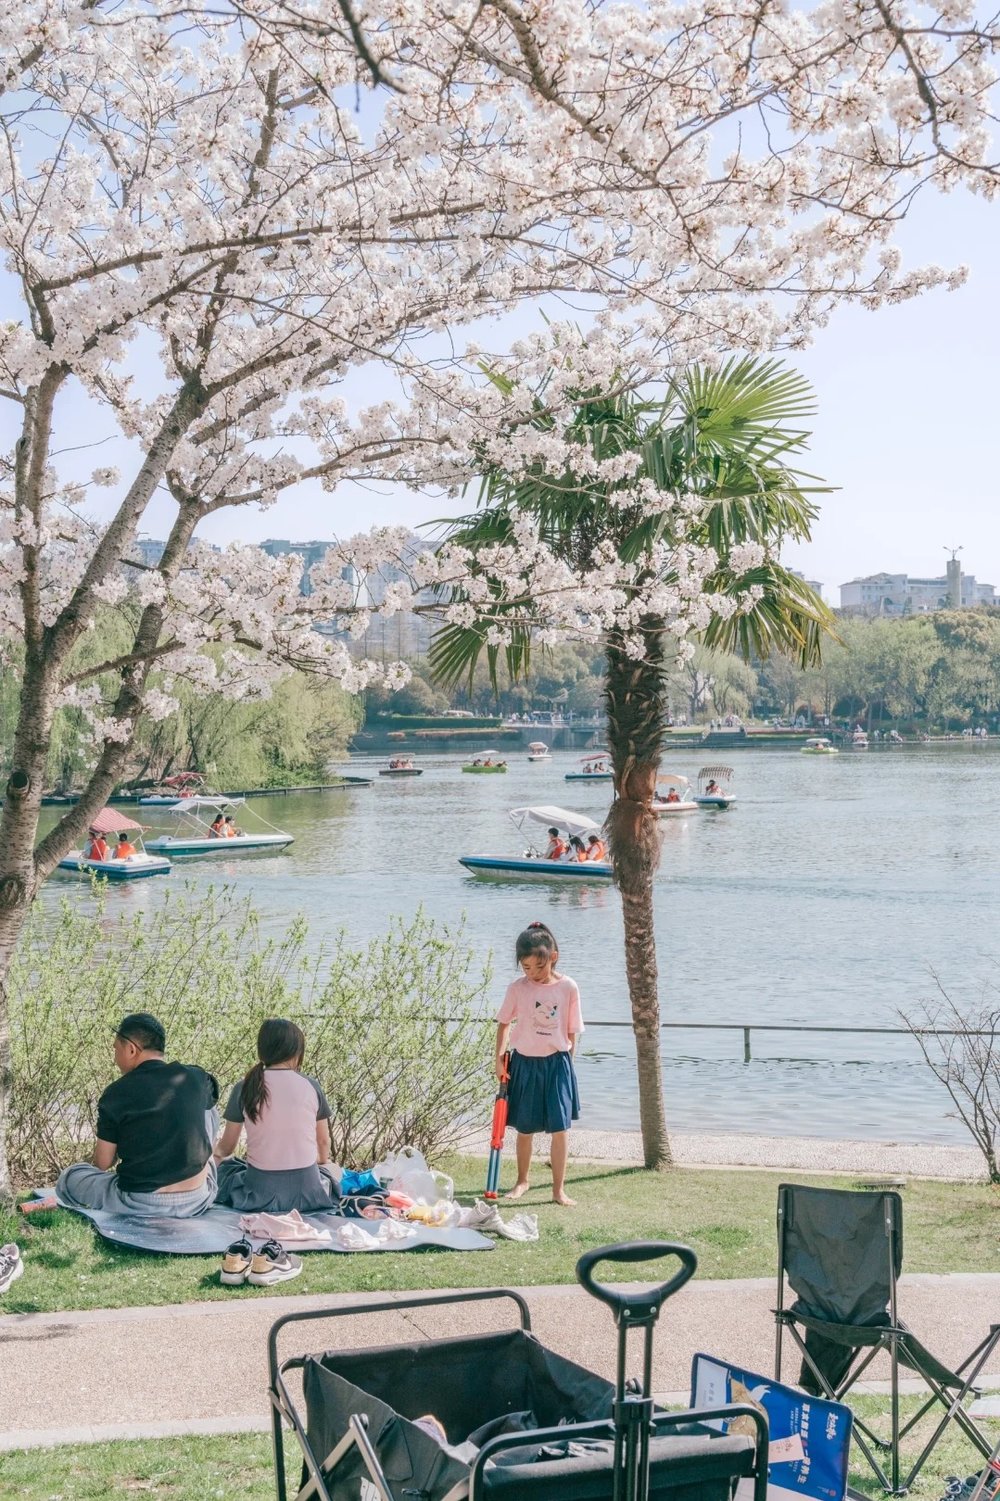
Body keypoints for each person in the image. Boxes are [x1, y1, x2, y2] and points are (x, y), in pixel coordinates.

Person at [56, 1013, 219, 1218]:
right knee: (208, 1105)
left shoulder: (116, 1093)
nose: (115, 1058)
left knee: (71, 1177)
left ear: (131, 1049)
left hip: (139, 1202)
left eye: (116, 1049)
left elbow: (103, 1163)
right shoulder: (196, 1076)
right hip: (197, 1198)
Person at [494, 922, 582, 1206]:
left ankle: (558, 1190)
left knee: (560, 1129)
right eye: (526, 968)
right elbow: (504, 1023)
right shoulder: (517, 989)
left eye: (538, 967)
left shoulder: (568, 987)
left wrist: (569, 1064)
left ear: (552, 957)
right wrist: (499, 1057)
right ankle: (522, 1180)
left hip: (557, 1064)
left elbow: (571, 1030)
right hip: (524, 1064)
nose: (532, 973)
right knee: (525, 1129)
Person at [213, 1018, 338, 1214]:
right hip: (307, 1193)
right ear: (297, 1051)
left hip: (259, 1192)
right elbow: (323, 1143)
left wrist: (213, 1154)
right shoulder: (311, 1086)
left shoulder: (244, 1088)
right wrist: (322, 1163)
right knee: (329, 1170)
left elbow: (226, 1148)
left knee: (225, 1166)